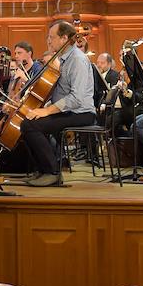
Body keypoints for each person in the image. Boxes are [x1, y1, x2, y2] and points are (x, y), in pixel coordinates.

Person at [16, 21, 95, 187]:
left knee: (31, 126)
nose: (49, 41)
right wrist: (43, 107)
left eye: (52, 37)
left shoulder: (78, 60)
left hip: (81, 113)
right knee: (26, 122)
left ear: (64, 38)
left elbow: (77, 98)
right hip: (69, 110)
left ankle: (53, 172)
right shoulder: (63, 58)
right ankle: (43, 170)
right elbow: (60, 91)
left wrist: (47, 111)